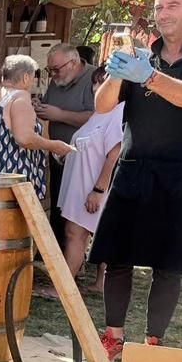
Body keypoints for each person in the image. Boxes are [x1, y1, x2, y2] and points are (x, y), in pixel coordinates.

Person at [90, 0, 182, 358]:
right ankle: (113, 338)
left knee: (169, 264)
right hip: (133, 169)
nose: (162, 13)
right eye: (158, 6)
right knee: (118, 257)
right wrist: (118, 73)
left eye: (172, 5)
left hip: (179, 174)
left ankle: (153, 344)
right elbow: (102, 106)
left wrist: (149, 77)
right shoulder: (141, 54)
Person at [0, 55, 73, 200]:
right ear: (25, 77)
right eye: (33, 77)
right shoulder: (19, 96)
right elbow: (24, 138)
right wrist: (54, 146)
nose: (33, 82)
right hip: (9, 184)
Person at [56, 65, 122, 295]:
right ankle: (99, 283)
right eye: (94, 82)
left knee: (75, 233)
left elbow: (114, 154)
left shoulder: (118, 112)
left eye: (100, 82)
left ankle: (63, 289)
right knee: (84, 233)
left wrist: (98, 190)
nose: (95, 88)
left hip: (93, 187)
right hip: (81, 183)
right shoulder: (99, 113)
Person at [35, 43, 96, 242]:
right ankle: (57, 252)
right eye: (49, 70)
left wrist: (60, 115)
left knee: (76, 215)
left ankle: (74, 255)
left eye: (56, 69)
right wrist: (40, 107)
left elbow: (98, 118)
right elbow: (49, 106)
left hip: (83, 160)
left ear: (73, 63)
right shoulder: (58, 80)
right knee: (58, 209)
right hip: (58, 155)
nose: (52, 75)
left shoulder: (95, 79)